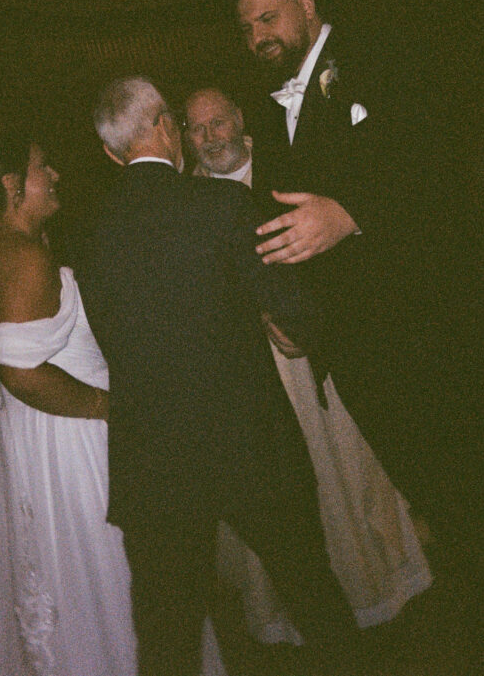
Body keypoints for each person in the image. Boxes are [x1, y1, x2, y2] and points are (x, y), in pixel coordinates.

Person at [230, 0, 484, 613]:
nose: (258, 37)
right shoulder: (269, 113)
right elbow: (280, 221)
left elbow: (439, 162)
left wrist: (352, 214)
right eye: (246, 28)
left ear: (307, 4)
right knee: (441, 504)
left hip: (439, 330)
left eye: (268, 17)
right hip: (364, 354)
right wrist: (290, 312)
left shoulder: (384, 55)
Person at [76, 76, 368, 676]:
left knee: (167, 637)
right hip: (248, 443)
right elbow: (292, 310)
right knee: (314, 597)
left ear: (110, 152)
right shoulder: (221, 206)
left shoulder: (88, 232)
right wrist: (297, 328)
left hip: (154, 458)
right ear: (167, 127)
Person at [0, 137, 225, 676]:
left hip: (27, 439)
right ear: (12, 185)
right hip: (66, 441)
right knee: (109, 573)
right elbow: (21, 373)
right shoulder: (21, 256)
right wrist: (107, 405)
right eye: (43, 166)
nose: (55, 174)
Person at [184, 86, 432, 638]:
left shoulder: (286, 163)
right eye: (196, 129)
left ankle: (377, 589)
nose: (210, 138)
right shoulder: (188, 197)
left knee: (348, 473)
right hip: (249, 368)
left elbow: (343, 251)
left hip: (321, 350)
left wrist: (310, 322)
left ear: (239, 119)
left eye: (217, 122)